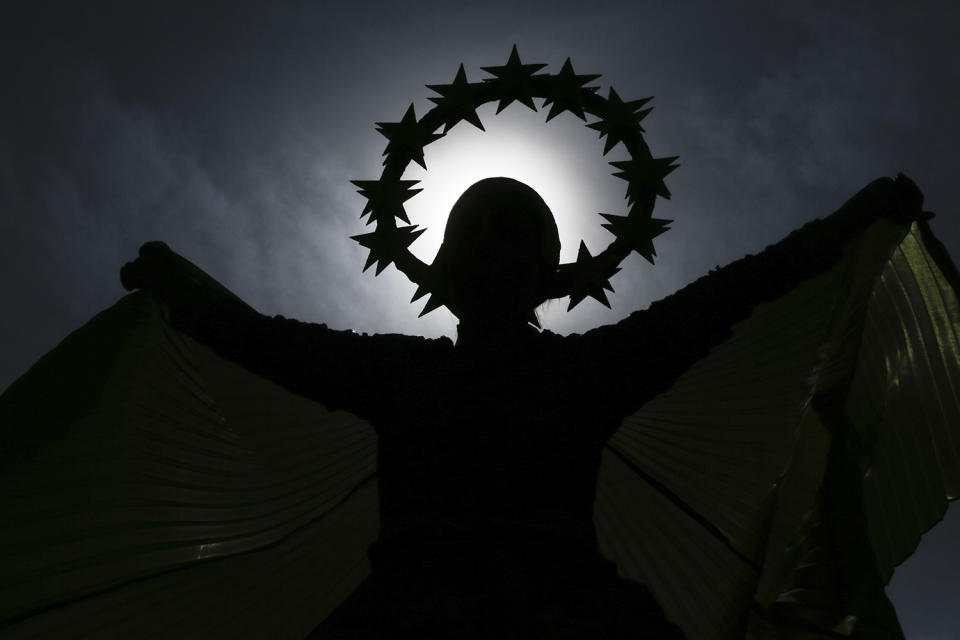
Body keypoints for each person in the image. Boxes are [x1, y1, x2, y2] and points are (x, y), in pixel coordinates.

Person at [115, 174, 937, 638]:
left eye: (514, 232)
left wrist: (849, 222)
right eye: (475, 230)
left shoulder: (588, 372)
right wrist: (185, 293)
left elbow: (733, 294)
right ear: (439, 271)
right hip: (410, 608)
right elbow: (270, 344)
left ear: (553, 274)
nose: (491, 246)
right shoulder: (400, 374)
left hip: (566, 611)